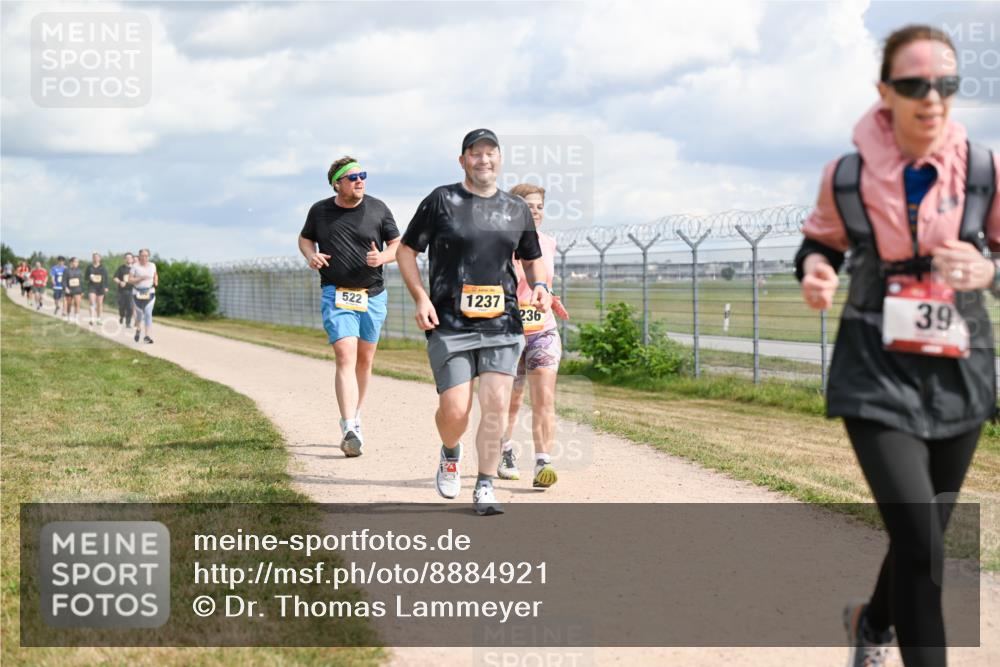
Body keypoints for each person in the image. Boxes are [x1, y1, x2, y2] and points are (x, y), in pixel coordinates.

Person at [796, 25, 1000, 667]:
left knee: (926, 536)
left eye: (945, 84)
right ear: (885, 91)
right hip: (875, 367)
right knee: (923, 546)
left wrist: (987, 270)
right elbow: (820, 242)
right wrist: (815, 270)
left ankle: (871, 621)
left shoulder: (986, 170)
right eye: (914, 83)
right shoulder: (848, 175)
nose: (932, 97)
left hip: (959, 367)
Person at [397, 129, 552, 516]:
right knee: (455, 411)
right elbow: (406, 251)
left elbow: (531, 257)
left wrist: (541, 285)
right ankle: (450, 453)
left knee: (496, 404)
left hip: (502, 323)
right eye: (476, 153)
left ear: (500, 159)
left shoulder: (515, 209)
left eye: (491, 153)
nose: (484, 160)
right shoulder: (441, 200)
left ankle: (484, 484)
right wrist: (420, 298)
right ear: (463, 160)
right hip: (449, 320)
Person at [299, 156, 400, 457]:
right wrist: (310, 256)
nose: (360, 181)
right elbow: (305, 239)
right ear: (337, 184)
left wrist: (383, 257)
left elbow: (397, 245)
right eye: (352, 177)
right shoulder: (320, 211)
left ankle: (355, 415)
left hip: (373, 295)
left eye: (362, 175)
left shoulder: (378, 208)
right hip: (336, 293)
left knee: (364, 361)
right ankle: (349, 427)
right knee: (345, 355)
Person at [497, 184, 571, 489]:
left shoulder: (548, 243)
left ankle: (543, 461)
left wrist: (550, 296)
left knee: (544, 396)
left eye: (539, 206)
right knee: (511, 400)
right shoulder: (499, 243)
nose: (536, 212)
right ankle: (504, 451)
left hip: (543, 328)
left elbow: (542, 280)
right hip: (508, 331)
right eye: (529, 206)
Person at [129, 249, 158, 343]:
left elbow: (155, 274)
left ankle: (147, 336)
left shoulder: (153, 265)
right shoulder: (134, 266)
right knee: (139, 315)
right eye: (142, 255)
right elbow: (130, 280)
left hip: (150, 292)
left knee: (148, 313)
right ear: (139, 256)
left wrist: (156, 281)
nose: (144, 257)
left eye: (146, 256)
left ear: (149, 256)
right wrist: (140, 278)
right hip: (137, 293)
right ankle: (138, 329)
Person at [86, 253, 109, 326]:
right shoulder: (89, 267)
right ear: (92, 258)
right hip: (92, 286)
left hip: (101, 287)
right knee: (92, 302)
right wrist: (89, 278)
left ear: (100, 258)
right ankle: (91, 319)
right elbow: (85, 277)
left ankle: (99, 319)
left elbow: (106, 278)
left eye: (97, 257)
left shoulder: (103, 267)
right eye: (94, 257)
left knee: (99, 304)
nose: (95, 258)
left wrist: (106, 287)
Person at [113, 253, 135, 327]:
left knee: (130, 307)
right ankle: (122, 316)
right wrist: (120, 282)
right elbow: (115, 278)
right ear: (125, 259)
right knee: (122, 306)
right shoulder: (121, 268)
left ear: (132, 259)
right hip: (122, 291)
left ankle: (128, 323)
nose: (128, 259)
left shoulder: (135, 269)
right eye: (127, 258)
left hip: (132, 290)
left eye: (130, 258)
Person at [63, 258, 84, 323]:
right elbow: (64, 281)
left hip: (77, 290)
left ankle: (76, 318)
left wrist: (82, 291)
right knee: (69, 304)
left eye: (77, 262)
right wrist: (65, 288)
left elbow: (81, 281)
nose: (77, 263)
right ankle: (68, 317)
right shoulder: (66, 270)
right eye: (75, 262)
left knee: (77, 303)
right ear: (71, 262)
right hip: (69, 290)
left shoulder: (79, 271)